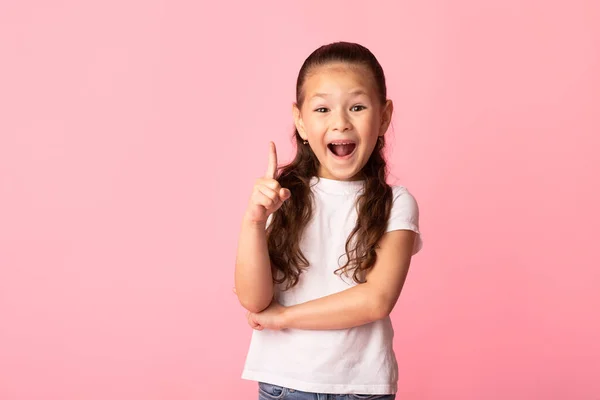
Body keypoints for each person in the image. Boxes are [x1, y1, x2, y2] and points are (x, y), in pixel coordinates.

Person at [234, 41, 423, 400]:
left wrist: (284, 318)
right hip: (282, 384)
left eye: (357, 106)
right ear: (300, 121)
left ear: (383, 117)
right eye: (322, 108)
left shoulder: (396, 204)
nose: (340, 121)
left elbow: (376, 300)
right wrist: (254, 221)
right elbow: (254, 300)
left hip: (360, 389)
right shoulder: (279, 197)